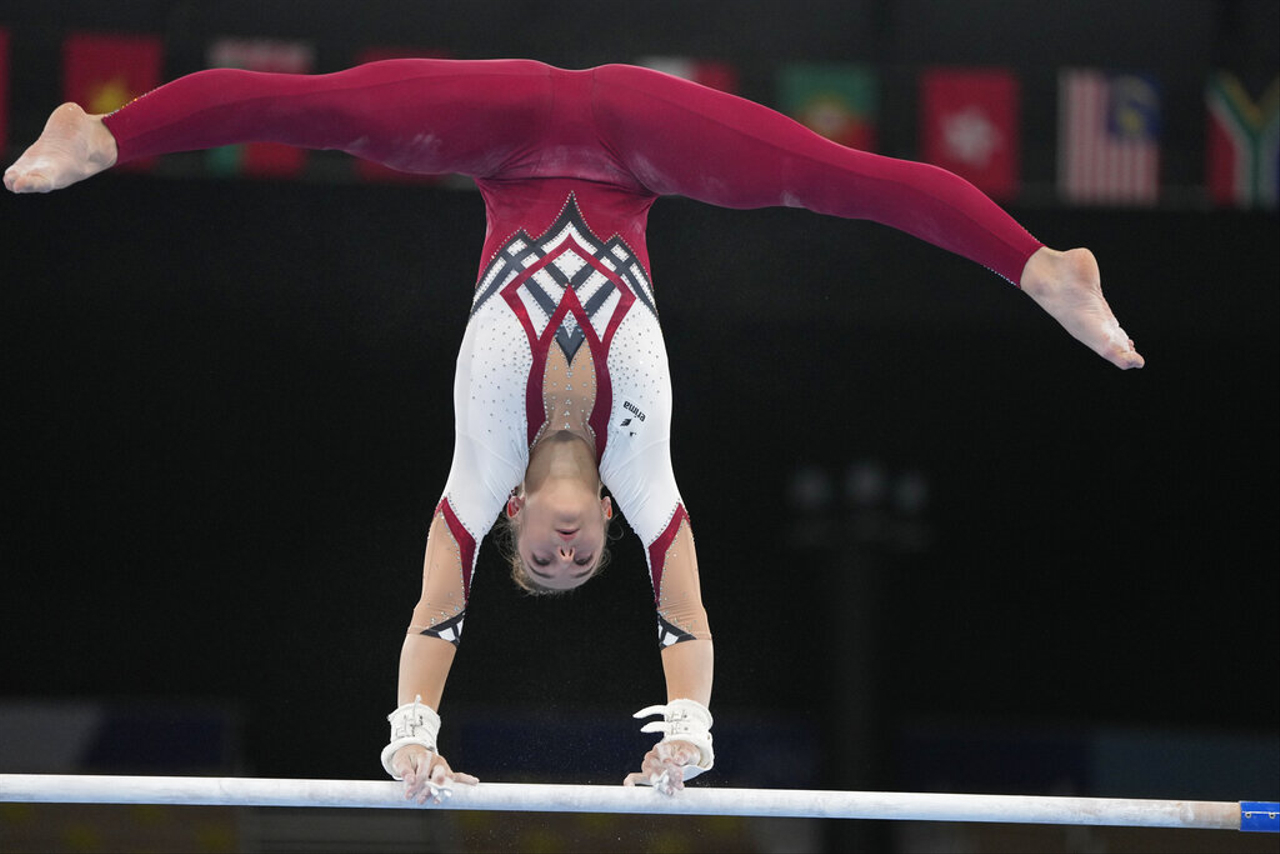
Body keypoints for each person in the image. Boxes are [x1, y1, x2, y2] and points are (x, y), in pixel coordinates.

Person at [5, 58, 1143, 803]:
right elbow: (684, 618)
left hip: (499, 141)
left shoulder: (481, 467)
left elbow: (432, 617)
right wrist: (688, 731)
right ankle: (1043, 265)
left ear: (512, 521)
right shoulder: (642, 471)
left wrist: (411, 734)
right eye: (581, 557)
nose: (562, 551)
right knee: (829, 179)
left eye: (538, 561)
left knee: (330, 112)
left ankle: (101, 134)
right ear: (603, 520)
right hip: (638, 150)